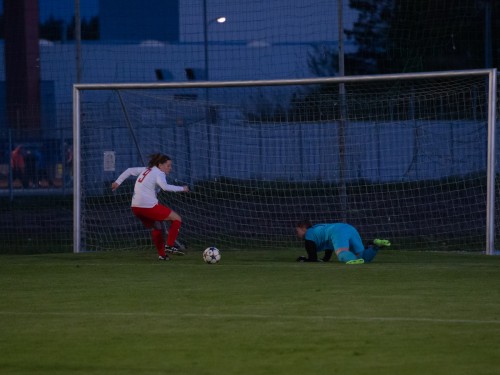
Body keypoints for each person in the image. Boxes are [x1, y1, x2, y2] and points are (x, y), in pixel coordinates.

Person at [111, 153, 189, 260]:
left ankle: (162, 255)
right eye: (168, 165)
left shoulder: (147, 169)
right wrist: (182, 188)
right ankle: (169, 246)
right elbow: (165, 187)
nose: (170, 168)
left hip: (135, 207)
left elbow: (129, 170)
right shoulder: (159, 173)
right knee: (177, 219)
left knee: (157, 226)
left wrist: (117, 182)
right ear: (160, 165)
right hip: (147, 206)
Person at [295, 220, 391, 265]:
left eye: (297, 231)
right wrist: (324, 260)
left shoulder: (309, 234)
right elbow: (328, 249)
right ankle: (375, 245)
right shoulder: (318, 230)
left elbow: (312, 258)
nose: (296, 234)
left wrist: (303, 259)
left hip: (338, 231)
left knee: (342, 254)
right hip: (349, 228)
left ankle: (352, 259)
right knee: (362, 257)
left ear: (304, 228)